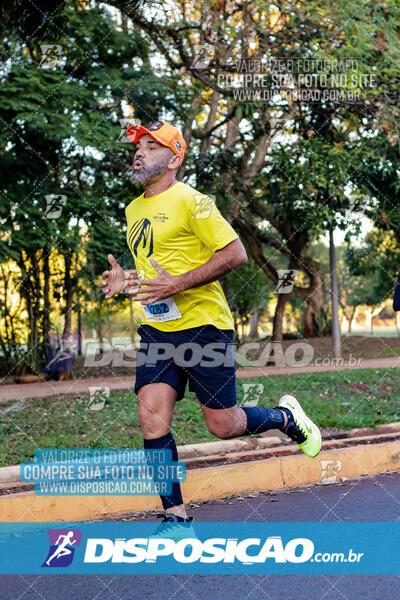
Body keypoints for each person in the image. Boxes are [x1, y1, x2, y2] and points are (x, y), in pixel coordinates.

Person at [100, 119, 322, 536]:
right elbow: (156, 272)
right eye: (139, 145)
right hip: (157, 330)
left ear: (174, 158)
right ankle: (176, 517)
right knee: (151, 417)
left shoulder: (194, 201)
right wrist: (125, 280)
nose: (140, 152)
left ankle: (286, 418)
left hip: (204, 325)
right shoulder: (134, 209)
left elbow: (235, 253)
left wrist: (178, 284)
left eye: (151, 146)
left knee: (224, 425)